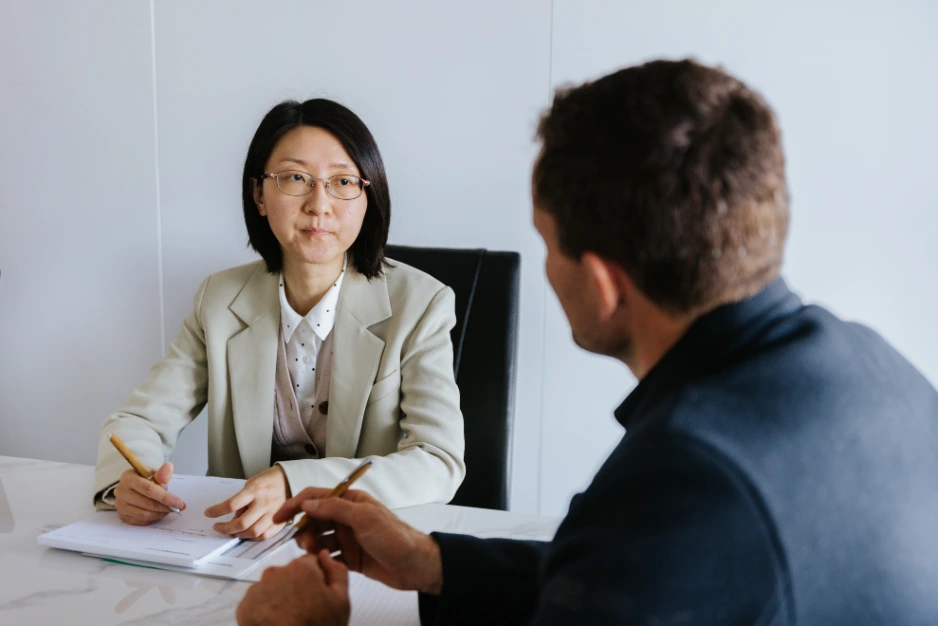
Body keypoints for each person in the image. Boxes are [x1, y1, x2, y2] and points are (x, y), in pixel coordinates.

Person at [236, 59, 938, 625]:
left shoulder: (682, 477)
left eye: (546, 244)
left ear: (602, 284)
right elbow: (638, 578)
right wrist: (434, 562)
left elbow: (642, 559)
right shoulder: (876, 366)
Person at [92, 99, 466, 541]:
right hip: (236, 547)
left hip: (358, 548)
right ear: (259, 195)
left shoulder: (420, 304)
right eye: (295, 178)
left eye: (343, 181)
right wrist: (126, 483)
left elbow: (438, 461)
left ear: (368, 197)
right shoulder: (219, 300)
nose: (319, 204)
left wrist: (296, 483)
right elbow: (139, 420)